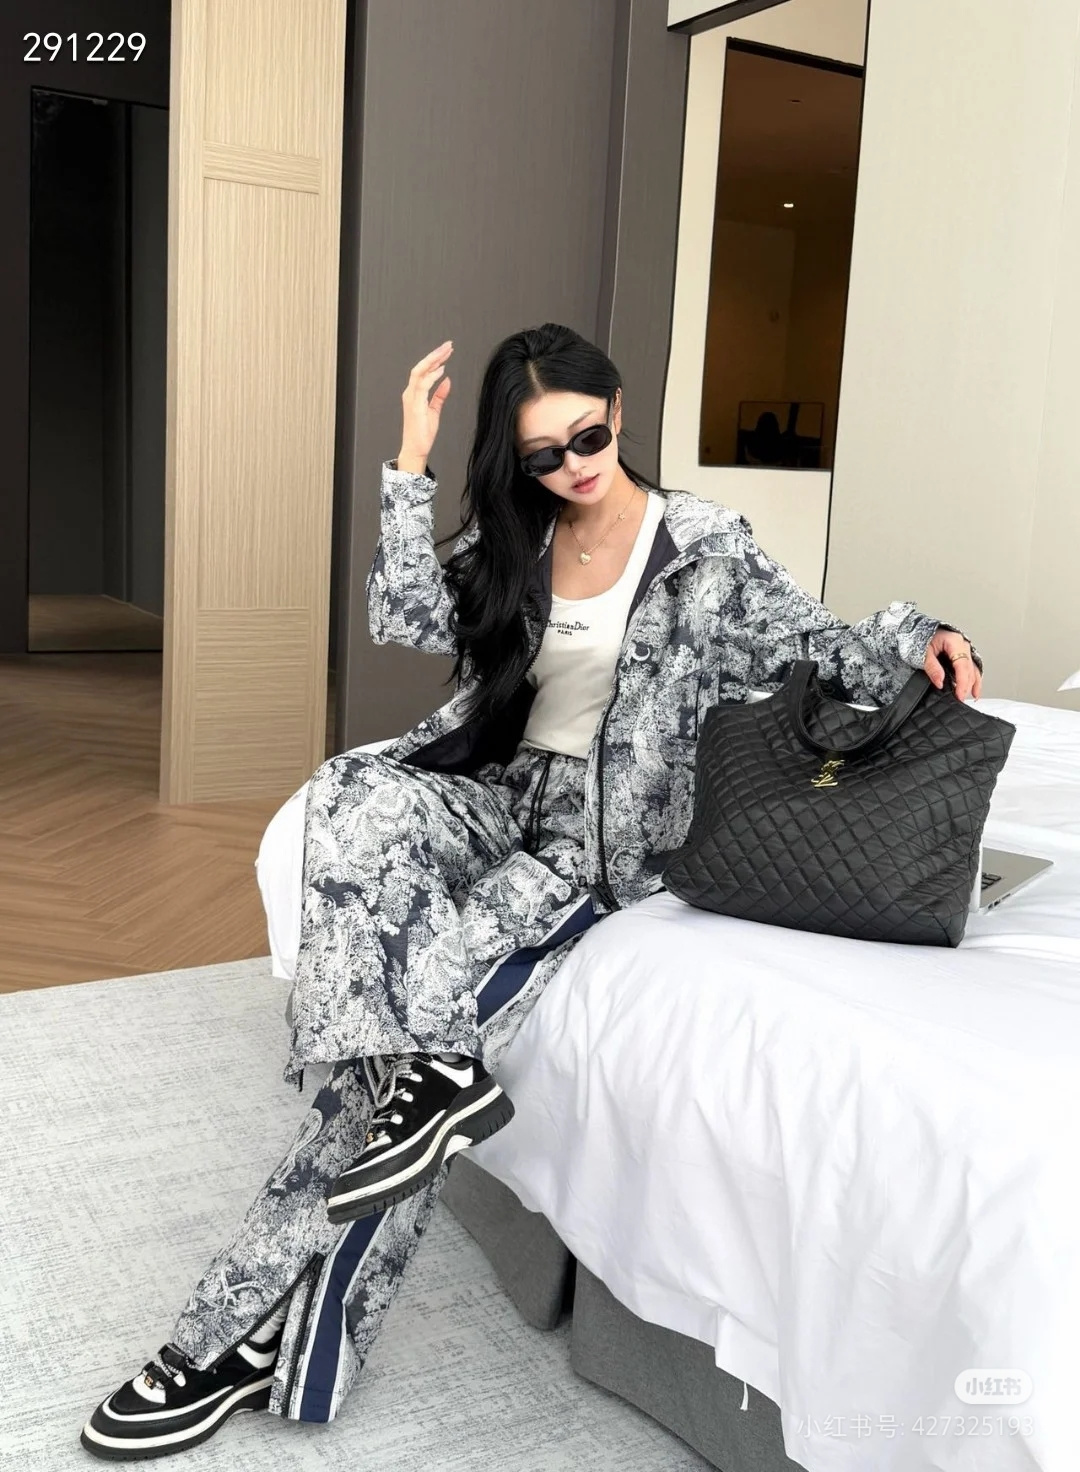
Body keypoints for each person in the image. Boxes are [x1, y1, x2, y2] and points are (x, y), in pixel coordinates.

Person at [80, 323, 983, 1459]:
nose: (573, 467)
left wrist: (923, 629)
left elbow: (820, 642)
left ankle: (224, 1340)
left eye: (588, 438)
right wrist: (409, 459)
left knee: (383, 1087)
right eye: (544, 455)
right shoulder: (521, 535)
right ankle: (425, 1077)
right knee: (349, 790)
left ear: (618, 412)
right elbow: (404, 617)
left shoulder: (703, 548)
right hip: (488, 793)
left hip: (583, 853)